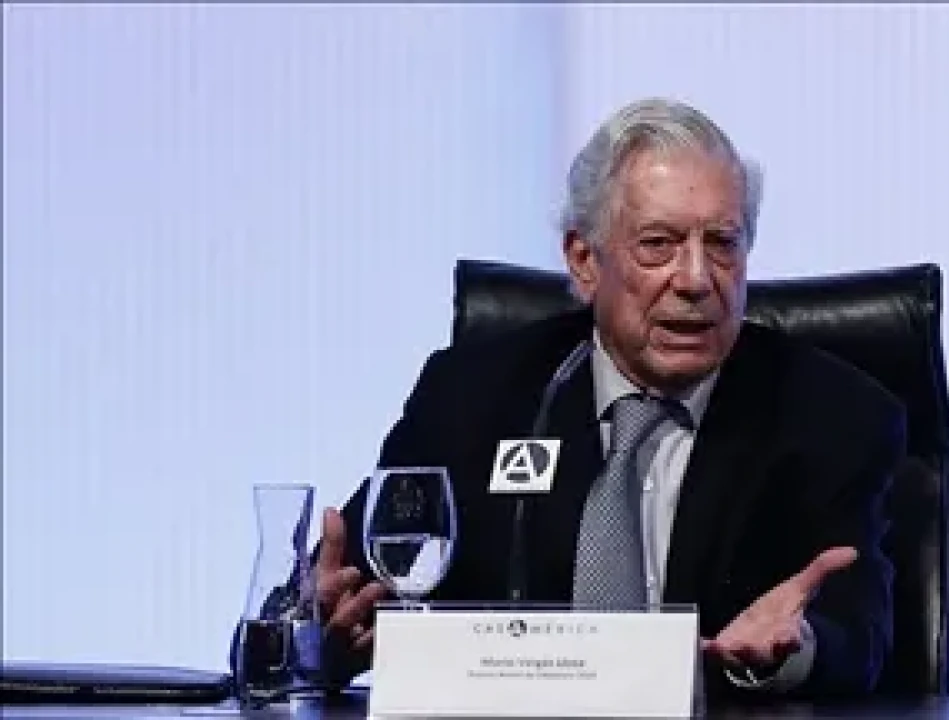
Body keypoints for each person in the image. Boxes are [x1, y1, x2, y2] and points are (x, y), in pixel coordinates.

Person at [308, 97, 906, 703]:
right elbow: (342, 590)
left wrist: (797, 647)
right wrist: (319, 631)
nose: (697, 279)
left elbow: (860, 626)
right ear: (584, 260)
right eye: (659, 244)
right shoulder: (473, 397)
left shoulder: (831, 415)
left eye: (722, 243)